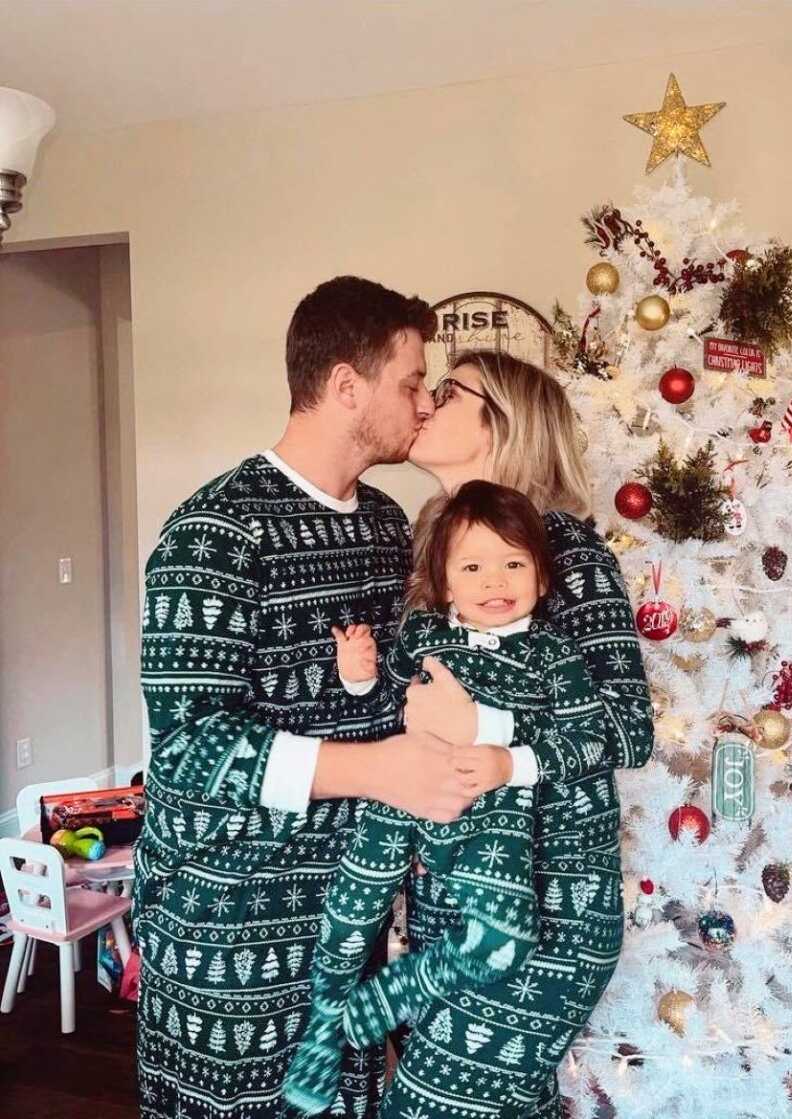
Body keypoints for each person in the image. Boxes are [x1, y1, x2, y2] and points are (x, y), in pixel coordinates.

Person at [133, 280, 513, 1119]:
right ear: (347, 387)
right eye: (412, 383)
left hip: (348, 918)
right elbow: (188, 748)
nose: (423, 403)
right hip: (225, 923)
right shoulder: (213, 533)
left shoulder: (385, 524)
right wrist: (378, 770)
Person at [372, 349, 656, 1118]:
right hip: (452, 913)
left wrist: (487, 729)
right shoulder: (435, 552)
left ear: (503, 420)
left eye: (450, 390)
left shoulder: (564, 547)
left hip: (549, 917)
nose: (427, 400)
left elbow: (628, 729)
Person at [283, 481, 621, 1115]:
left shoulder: (554, 655)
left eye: (514, 563)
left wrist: (509, 759)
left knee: (499, 942)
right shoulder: (423, 636)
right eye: (472, 566)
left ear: (542, 579)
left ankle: (378, 1004)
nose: (495, 580)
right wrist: (359, 678)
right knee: (354, 905)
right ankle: (326, 1023)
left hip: (492, 819)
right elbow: (389, 706)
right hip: (404, 797)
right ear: (442, 584)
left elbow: (593, 738)